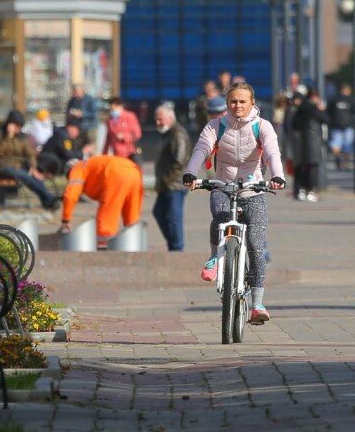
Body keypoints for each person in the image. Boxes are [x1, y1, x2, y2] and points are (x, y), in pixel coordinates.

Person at [182, 82, 286, 325]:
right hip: (223, 186)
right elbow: (202, 148)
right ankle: (214, 257)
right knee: (219, 219)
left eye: (242, 101)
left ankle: (257, 304)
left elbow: (272, 152)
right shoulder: (216, 126)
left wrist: (277, 176)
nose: (237, 106)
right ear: (227, 104)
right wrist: (190, 172)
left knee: (256, 246)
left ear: (252, 103)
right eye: (233, 101)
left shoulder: (263, 126)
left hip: (254, 190)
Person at [59, 154, 144, 243]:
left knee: (106, 221)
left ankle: (104, 244)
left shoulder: (77, 168)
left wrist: (66, 220)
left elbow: (70, 195)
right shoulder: (91, 164)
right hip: (134, 172)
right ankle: (134, 241)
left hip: (115, 174)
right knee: (132, 215)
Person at [0, 112, 61, 210]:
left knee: (35, 176)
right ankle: (50, 198)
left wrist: (33, 167)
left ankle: (47, 202)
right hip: (1, 166)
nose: (18, 129)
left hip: (18, 165)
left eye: (20, 126)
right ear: (10, 123)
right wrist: (9, 136)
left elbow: (30, 153)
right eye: (16, 125)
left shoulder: (21, 136)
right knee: (26, 176)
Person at [153, 103, 192, 252]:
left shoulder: (178, 134)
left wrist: (166, 180)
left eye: (160, 119)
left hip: (175, 185)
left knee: (174, 218)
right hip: (167, 184)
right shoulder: (168, 133)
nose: (158, 123)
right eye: (156, 119)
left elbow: (179, 162)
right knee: (159, 212)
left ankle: (177, 248)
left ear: (170, 117)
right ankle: (173, 245)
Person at [290, 88, 328, 202]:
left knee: (300, 167)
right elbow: (325, 119)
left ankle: (299, 190)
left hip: (300, 141)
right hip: (312, 141)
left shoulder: (299, 109)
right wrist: (321, 110)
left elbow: (293, 124)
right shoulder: (313, 109)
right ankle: (311, 191)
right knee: (313, 167)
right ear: (314, 97)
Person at [101, 96, 143, 161]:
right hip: (117, 154)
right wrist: (104, 155)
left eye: (114, 109)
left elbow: (137, 134)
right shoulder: (110, 121)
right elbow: (108, 139)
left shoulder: (130, 116)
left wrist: (124, 136)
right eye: (111, 109)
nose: (112, 111)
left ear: (120, 106)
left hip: (129, 153)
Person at [329, 83, 355, 170]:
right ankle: (345, 163)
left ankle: (339, 160)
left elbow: (329, 112)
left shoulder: (334, 99)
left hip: (337, 125)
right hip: (347, 126)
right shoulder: (351, 100)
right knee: (347, 146)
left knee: (337, 145)